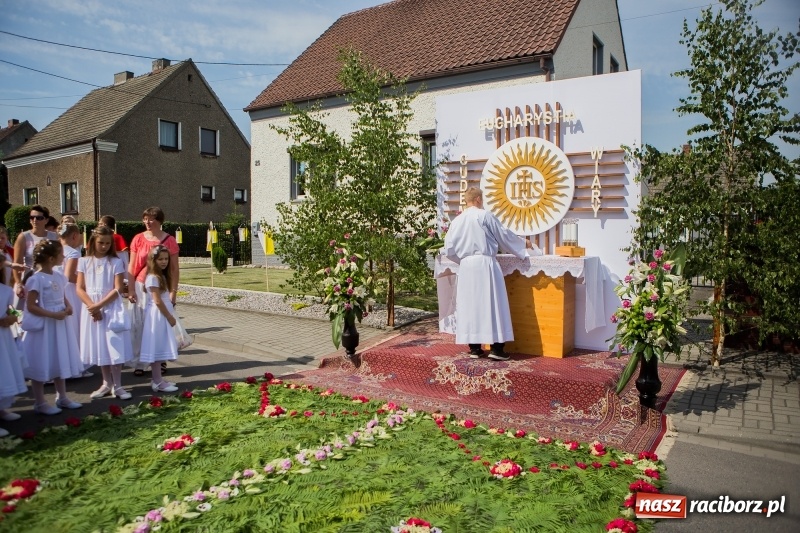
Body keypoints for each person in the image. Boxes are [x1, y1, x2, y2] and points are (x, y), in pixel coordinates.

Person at [442, 187, 532, 361]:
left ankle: (474, 348)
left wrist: (464, 260)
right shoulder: (484, 215)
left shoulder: (457, 221)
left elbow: (449, 249)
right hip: (485, 264)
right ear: (477, 199)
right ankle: (496, 349)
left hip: (467, 267)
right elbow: (503, 235)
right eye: (481, 199)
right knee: (492, 303)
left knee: (470, 306)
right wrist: (523, 243)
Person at [21, 240, 83, 415]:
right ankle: (40, 402)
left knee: (58, 356)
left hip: (59, 323)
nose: (64, 256)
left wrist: (68, 306)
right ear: (50, 258)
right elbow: (31, 306)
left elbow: (62, 295)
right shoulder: (36, 279)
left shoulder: (58, 275)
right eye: (60, 254)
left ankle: (62, 397)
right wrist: (53, 314)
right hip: (45, 325)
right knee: (42, 359)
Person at [77, 226, 133, 400]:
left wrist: (99, 306)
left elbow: (117, 288)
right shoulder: (84, 262)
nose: (104, 246)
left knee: (114, 347)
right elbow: (79, 288)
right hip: (92, 308)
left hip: (110, 308)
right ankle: (106, 383)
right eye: (101, 242)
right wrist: (92, 307)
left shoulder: (115, 262)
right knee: (100, 346)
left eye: (108, 243)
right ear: (93, 242)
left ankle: (118, 385)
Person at [127, 207, 179, 377]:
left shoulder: (169, 240)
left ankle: (160, 360)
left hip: (161, 287)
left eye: (151, 219)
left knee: (159, 325)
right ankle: (140, 361)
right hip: (141, 286)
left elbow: (174, 268)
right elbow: (133, 265)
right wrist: (130, 289)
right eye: (145, 219)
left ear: (160, 221)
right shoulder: (138, 239)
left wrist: (173, 292)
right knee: (140, 324)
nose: (148, 222)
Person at [140, 245, 179, 392]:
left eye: (166, 259)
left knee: (160, 346)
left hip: (162, 315)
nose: (164, 262)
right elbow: (157, 301)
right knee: (156, 347)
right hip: (157, 316)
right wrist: (169, 316)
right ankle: (156, 381)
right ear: (153, 260)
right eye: (160, 259)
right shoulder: (152, 278)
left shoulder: (161, 276)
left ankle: (159, 379)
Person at [12, 205, 59, 309]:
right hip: (30, 278)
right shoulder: (24, 237)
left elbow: (58, 258)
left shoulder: (54, 236)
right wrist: (19, 284)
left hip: (48, 278)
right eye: (32, 217)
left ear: (46, 220)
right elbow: (17, 263)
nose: (34, 220)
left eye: (39, 218)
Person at [0, 253, 26, 435]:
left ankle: (1, 409)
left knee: (4, 370)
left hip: (3, 338)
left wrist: (13, 317)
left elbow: (11, 310)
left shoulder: (5, 290)